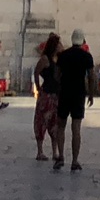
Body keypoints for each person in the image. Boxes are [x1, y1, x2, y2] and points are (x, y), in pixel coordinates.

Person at [56, 29, 96, 173]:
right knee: (76, 128)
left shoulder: (63, 55)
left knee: (61, 125)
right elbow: (91, 77)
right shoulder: (87, 57)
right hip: (79, 93)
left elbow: (57, 75)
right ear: (83, 41)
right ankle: (74, 160)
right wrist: (91, 94)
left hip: (65, 92)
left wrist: (59, 88)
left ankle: (60, 156)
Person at [32, 35, 62, 164]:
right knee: (42, 122)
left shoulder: (59, 59)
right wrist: (38, 88)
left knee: (55, 123)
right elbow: (36, 72)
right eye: (59, 43)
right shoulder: (45, 59)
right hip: (47, 95)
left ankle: (55, 151)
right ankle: (40, 151)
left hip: (56, 95)